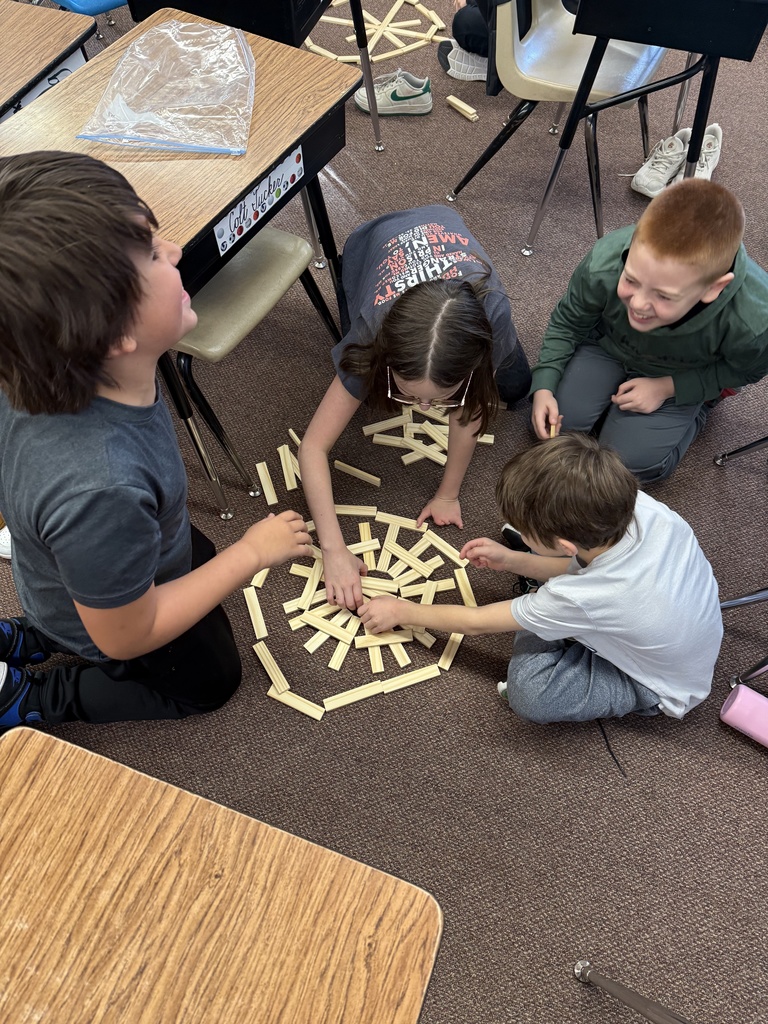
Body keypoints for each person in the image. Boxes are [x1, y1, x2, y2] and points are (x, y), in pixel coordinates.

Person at [0, 151, 312, 731]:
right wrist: (253, 553)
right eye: (151, 252)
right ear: (115, 332)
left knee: (194, 553)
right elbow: (129, 634)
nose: (174, 251)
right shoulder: (103, 488)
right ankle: (43, 695)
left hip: (76, 573)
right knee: (212, 681)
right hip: (107, 619)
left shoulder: (34, 365)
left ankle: (34, 633)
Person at [359, 433, 723, 723]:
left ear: (565, 545)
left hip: (657, 684)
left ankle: (548, 614)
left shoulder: (583, 595)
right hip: (678, 626)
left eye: (526, 531)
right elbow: (585, 569)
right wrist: (515, 558)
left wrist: (401, 610)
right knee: (559, 587)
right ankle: (551, 605)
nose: (520, 530)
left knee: (531, 695)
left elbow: (476, 623)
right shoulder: (640, 505)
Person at [298, 204, 531, 611]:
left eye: (436, 399)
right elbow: (312, 447)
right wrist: (333, 550)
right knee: (359, 381)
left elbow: (470, 407)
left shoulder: (493, 314)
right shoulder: (373, 331)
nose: (423, 408)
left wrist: (448, 493)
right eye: (411, 394)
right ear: (388, 359)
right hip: (371, 243)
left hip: (447, 233)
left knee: (517, 386)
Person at [529, 178, 768, 482]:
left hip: (681, 371)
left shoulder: (756, 322)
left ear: (714, 288)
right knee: (553, 430)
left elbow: (744, 372)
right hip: (608, 346)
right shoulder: (605, 260)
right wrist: (545, 385)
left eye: (664, 296)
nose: (639, 304)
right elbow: (568, 321)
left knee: (627, 471)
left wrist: (670, 387)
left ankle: (700, 410)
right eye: (630, 280)